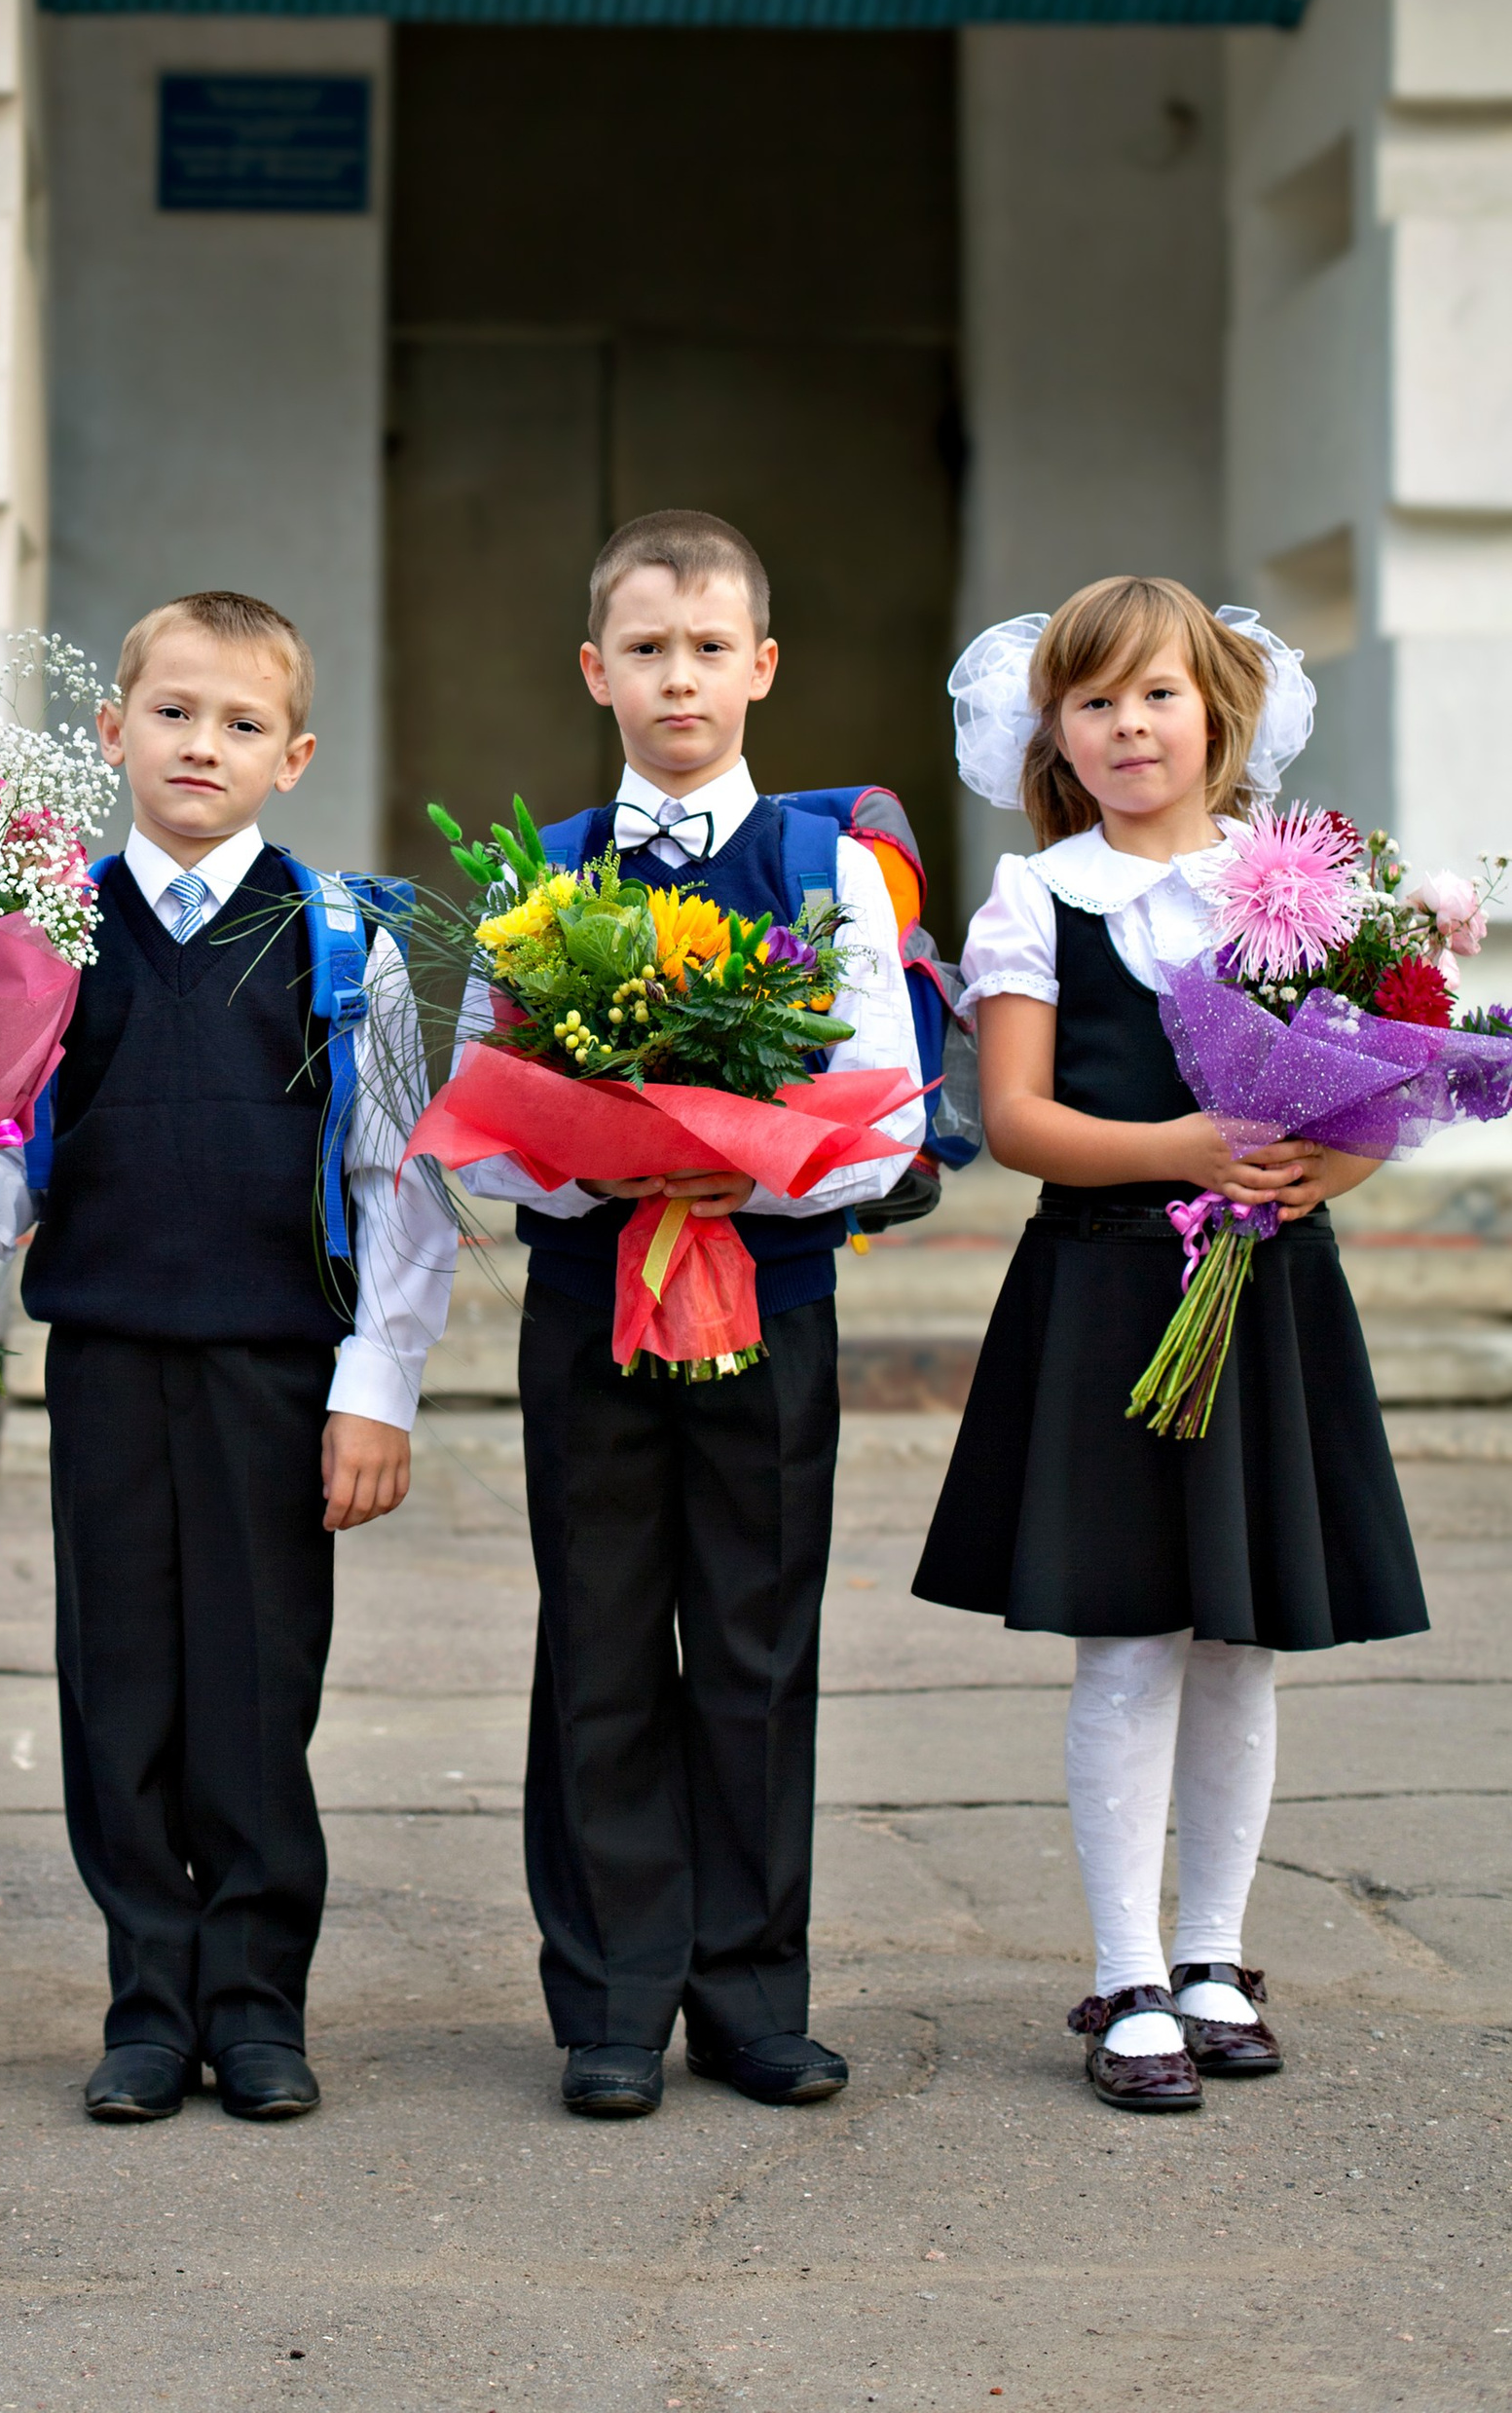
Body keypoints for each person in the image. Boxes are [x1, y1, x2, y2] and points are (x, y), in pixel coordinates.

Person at [0, 589, 454, 2127]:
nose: (202, 744)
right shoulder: (45, 936)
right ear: (113, 729)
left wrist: (375, 1390)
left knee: (259, 1689)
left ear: (295, 754)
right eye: (173, 712)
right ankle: (150, 2000)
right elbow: (9, 1172)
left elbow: (395, 1182)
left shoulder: (345, 943)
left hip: (278, 1375)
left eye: (242, 723)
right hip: (109, 1367)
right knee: (123, 1685)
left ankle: (258, 2004)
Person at [913, 578, 1424, 2110]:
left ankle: (1217, 1952)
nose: (1130, 727)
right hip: (1109, 1288)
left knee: (1238, 1636)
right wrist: (1186, 1145)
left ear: (1223, 711)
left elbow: (1371, 1109)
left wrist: (1304, 1170)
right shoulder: (1038, 895)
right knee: (1129, 1637)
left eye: (1158, 695)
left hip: (1263, 1289)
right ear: (1050, 733)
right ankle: (1126, 1968)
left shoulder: (1307, 888)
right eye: (1094, 703)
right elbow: (1015, 1122)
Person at [448, 508, 926, 2119]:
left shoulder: (830, 871)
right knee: (595, 1642)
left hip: (768, 1307)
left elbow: (894, 1113)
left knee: (752, 1641)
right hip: (592, 1304)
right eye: (646, 650)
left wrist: (756, 1180)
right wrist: (603, 1169)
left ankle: (749, 1993)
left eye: (709, 648)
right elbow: (484, 1099)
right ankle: (607, 1998)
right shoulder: (542, 876)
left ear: (763, 667)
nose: (679, 679)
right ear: (597, 671)